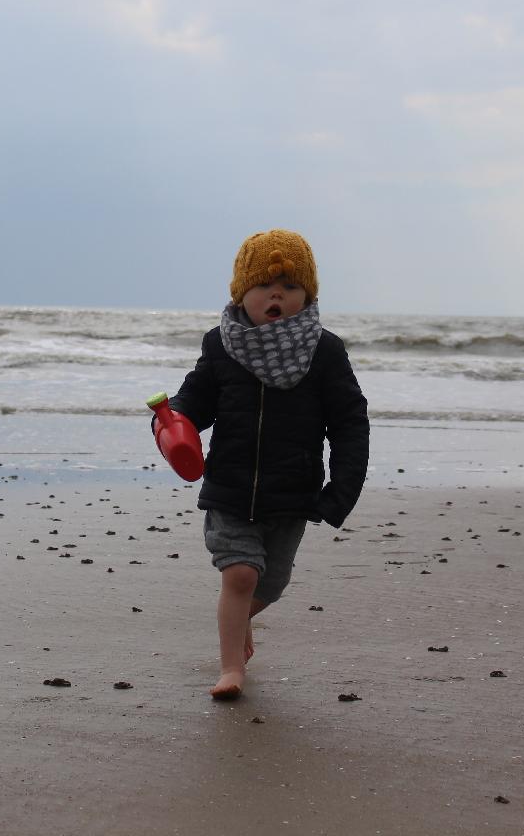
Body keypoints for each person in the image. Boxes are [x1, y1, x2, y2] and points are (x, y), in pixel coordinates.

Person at [166, 229, 369, 700]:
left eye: (291, 286)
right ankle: (231, 668)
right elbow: (197, 397)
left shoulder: (325, 351)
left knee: (270, 584)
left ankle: (236, 623)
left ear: (308, 296)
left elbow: (349, 424)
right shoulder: (221, 345)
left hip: (292, 492)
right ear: (242, 293)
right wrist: (176, 418)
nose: (276, 294)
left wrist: (341, 492)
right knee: (240, 574)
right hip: (230, 486)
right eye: (263, 285)